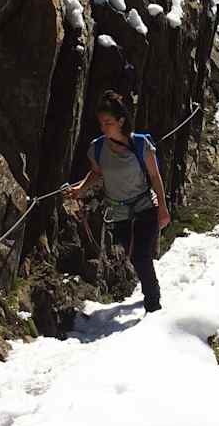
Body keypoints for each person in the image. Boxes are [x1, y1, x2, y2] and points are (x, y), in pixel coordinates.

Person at [62, 89, 171, 312]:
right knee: (133, 255)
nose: (104, 127)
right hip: (119, 211)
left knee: (141, 255)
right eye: (101, 123)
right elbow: (96, 172)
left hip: (144, 206)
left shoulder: (141, 145)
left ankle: (153, 304)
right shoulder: (97, 148)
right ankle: (151, 292)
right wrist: (81, 188)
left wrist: (163, 209)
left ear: (121, 121)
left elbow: (155, 177)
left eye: (108, 122)